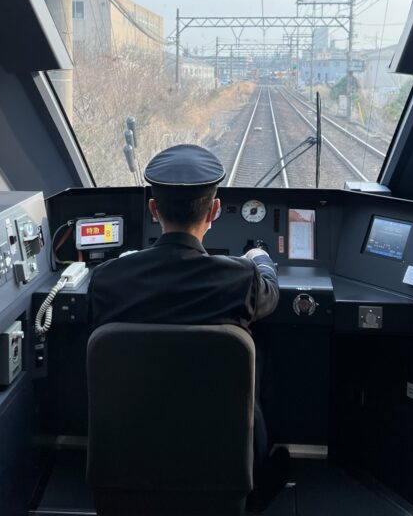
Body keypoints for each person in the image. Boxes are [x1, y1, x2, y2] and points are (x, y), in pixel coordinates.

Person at [87, 143, 289, 512]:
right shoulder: (240, 278)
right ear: (214, 211)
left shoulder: (107, 278)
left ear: (153, 210)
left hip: (129, 456)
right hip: (219, 462)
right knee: (265, 359)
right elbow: (270, 295)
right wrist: (259, 259)